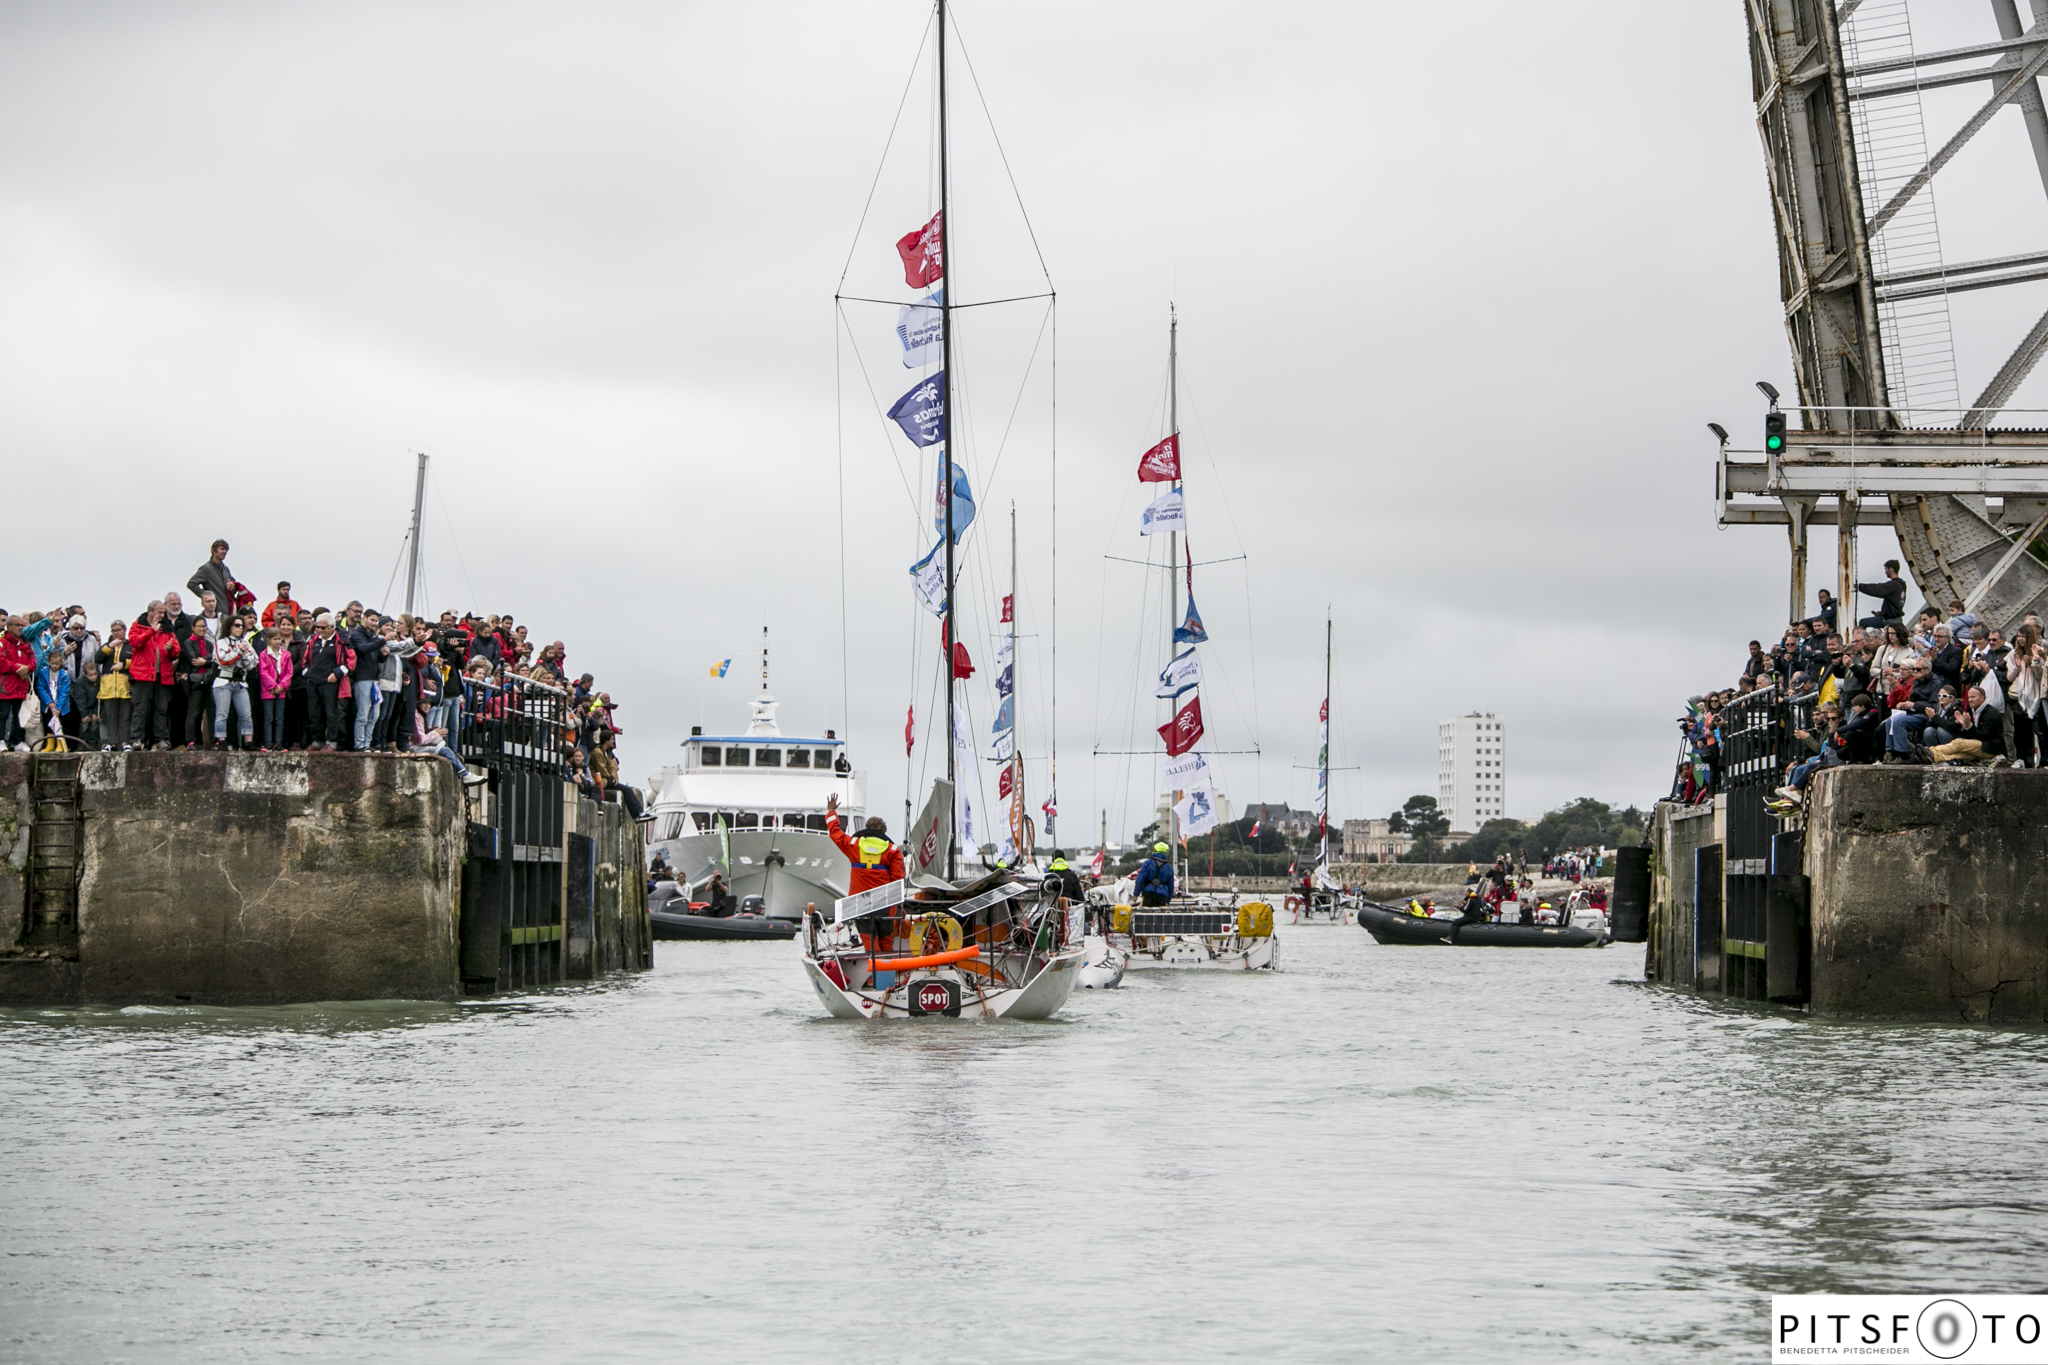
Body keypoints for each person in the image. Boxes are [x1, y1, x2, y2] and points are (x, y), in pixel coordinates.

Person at [823, 791, 905, 893]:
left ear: (866, 828)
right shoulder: (893, 851)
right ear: (883, 831)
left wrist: (831, 811)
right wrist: (899, 905)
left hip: (858, 901)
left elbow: (835, 833)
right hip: (883, 902)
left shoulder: (853, 845)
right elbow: (897, 879)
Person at [300, 613, 348, 751]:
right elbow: (305, 660)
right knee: (314, 713)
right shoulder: (313, 641)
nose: (319, 630)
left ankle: (332, 741)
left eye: (323, 627)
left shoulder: (341, 641)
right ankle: (317, 740)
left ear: (332, 627)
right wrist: (307, 673)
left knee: (331, 713)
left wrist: (337, 673)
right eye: (318, 627)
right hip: (313, 682)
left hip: (329, 682)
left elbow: (351, 661)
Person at [209, 618, 256, 749]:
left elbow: (253, 662)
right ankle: (221, 741)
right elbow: (223, 660)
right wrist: (239, 652)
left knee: (246, 714)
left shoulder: (245, 643)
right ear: (229, 627)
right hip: (223, 682)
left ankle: (248, 742)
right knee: (222, 714)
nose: (240, 628)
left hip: (241, 683)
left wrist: (244, 655)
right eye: (237, 625)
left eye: (242, 625)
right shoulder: (221, 643)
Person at [187, 539, 249, 617]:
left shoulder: (225, 569)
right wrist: (207, 597)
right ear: (213, 551)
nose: (224, 552)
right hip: (216, 614)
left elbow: (234, 586)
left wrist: (233, 587)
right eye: (222, 549)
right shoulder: (206, 569)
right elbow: (191, 584)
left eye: (226, 550)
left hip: (229, 613)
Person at [257, 627, 293, 751]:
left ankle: (278, 743)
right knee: (268, 718)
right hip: (268, 690)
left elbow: (289, 672)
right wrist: (273, 686)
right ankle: (267, 743)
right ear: (269, 640)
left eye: (279, 639)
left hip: (281, 690)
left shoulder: (286, 654)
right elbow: (263, 672)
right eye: (275, 639)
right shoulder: (263, 654)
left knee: (279, 718)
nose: (278, 641)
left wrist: (282, 686)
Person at [1857, 559, 1908, 630]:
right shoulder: (1900, 585)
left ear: (1891, 569)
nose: (1885, 571)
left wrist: (1859, 587)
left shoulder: (1894, 585)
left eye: (1886, 569)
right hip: (1890, 618)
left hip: (1891, 620)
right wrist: (1882, 613)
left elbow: (1877, 589)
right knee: (1863, 622)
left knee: (1863, 623)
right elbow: (1894, 603)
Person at [1133, 840, 1174, 907]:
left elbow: (1140, 879)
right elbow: (1171, 886)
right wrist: (1168, 901)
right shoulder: (1169, 867)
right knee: (1161, 916)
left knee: (1147, 915)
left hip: (1148, 893)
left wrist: (1136, 893)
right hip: (1162, 895)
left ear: (1154, 850)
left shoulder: (1147, 863)